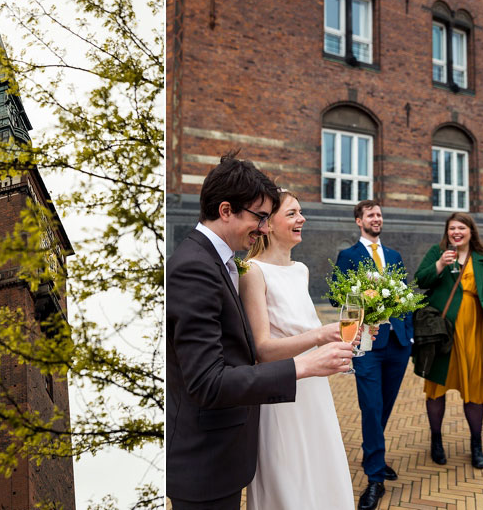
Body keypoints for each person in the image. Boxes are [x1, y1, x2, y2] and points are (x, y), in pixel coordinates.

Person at [165, 152, 355, 509]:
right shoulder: (193, 267)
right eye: (260, 218)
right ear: (226, 211)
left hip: (227, 448)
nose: (264, 228)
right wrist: (305, 365)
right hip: (203, 461)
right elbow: (208, 381)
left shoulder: (222, 263)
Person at [238, 189, 355, 509]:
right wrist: (320, 336)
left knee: (321, 465)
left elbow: (304, 330)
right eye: (292, 214)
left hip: (314, 389)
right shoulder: (252, 272)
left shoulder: (301, 270)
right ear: (268, 225)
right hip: (281, 391)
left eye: (301, 212)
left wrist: (343, 337)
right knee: (288, 474)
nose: (301, 218)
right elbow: (263, 349)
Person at [414, 213, 483, 471]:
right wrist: (438, 265)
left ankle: (476, 444)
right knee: (436, 388)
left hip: (475, 333)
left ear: (471, 231)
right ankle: (436, 441)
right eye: (452, 228)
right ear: (446, 232)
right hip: (442, 334)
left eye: (461, 228)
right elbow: (419, 281)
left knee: (474, 390)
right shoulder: (437, 253)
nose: (456, 232)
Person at [331, 200, 413, 510]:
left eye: (379, 214)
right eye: (370, 215)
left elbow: (405, 296)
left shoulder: (394, 256)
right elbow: (336, 296)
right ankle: (375, 477)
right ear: (358, 221)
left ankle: (373, 453)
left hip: (398, 344)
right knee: (371, 405)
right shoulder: (348, 256)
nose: (376, 218)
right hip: (367, 345)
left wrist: (410, 333)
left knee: (384, 406)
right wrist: (362, 298)